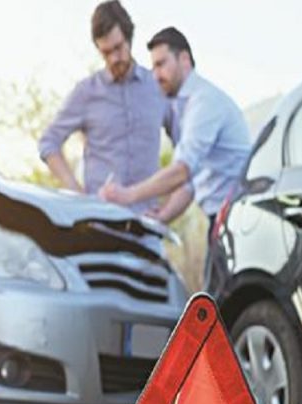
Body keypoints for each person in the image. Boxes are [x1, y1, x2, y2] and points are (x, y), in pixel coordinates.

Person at [99, 26, 250, 234]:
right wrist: (164, 216)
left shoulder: (204, 102)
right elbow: (191, 182)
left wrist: (127, 195)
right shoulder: (186, 107)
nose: (155, 76)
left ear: (184, 60)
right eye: (153, 68)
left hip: (239, 219)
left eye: (161, 64)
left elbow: (181, 171)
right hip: (224, 219)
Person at [38, 1, 168, 213]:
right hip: (99, 221)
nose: (114, 58)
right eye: (106, 52)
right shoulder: (86, 93)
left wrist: (168, 207)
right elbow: (48, 143)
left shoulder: (158, 87)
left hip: (147, 224)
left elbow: (186, 151)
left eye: (118, 48)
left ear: (129, 38)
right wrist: (77, 195)